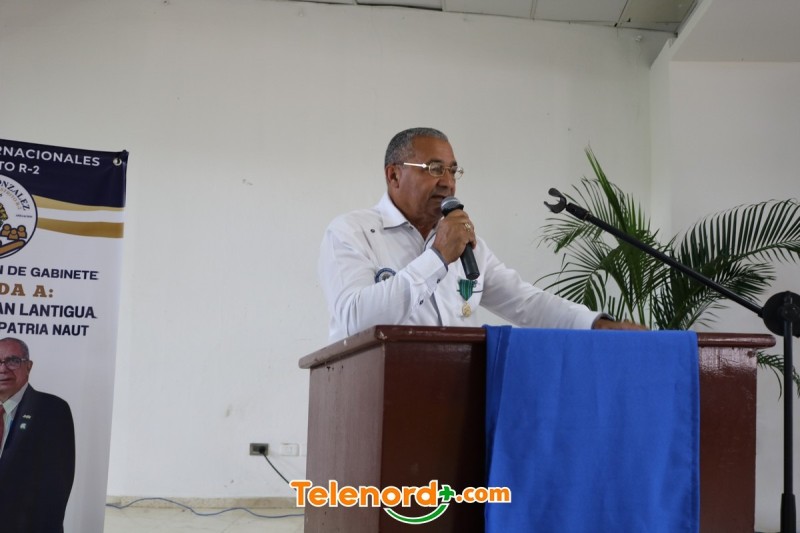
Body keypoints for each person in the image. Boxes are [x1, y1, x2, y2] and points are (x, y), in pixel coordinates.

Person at [319, 127, 645, 341]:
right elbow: (355, 319)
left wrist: (596, 325)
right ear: (394, 176)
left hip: (456, 400)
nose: (448, 182)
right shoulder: (352, 232)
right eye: (435, 169)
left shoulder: (467, 246)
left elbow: (527, 303)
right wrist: (437, 258)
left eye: (453, 170)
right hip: (375, 401)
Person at [0, 337, 76, 533]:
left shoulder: (52, 410)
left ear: (29, 366)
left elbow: (56, 490)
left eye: (13, 361)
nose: (3, 368)